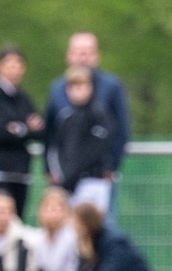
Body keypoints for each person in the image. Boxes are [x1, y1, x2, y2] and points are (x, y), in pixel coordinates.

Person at [45, 32, 130, 219]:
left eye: (88, 52)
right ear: (69, 55)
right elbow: (50, 133)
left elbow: (121, 131)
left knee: (102, 228)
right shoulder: (57, 89)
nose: (83, 57)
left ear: (96, 55)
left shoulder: (112, 87)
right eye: (78, 52)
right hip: (66, 177)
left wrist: (112, 167)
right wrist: (49, 169)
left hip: (99, 177)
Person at [0, 45, 45, 220]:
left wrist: (19, 129)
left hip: (19, 173)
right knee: (0, 223)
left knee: (17, 226)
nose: (14, 69)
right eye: (9, 64)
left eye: (18, 64)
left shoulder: (23, 97)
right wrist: (25, 128)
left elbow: (39, 130)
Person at [44, 66, 115, 212]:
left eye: (82, 86)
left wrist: (72, 177)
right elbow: (56, 149)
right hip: (69, 185)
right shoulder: (65, 119)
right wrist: (64, 177)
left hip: (93, 182)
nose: (78, 91)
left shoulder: (99, 116)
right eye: (73, 87)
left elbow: (95, 151)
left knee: (94, 229)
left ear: (91, 87)